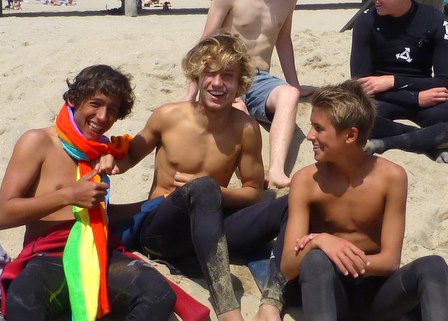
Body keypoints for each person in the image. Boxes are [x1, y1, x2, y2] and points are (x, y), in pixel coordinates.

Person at [103, 34, 289, 321]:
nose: (217, 83)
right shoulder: (168, 116)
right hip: (162, 232)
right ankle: (228, 309)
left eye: (227, 75)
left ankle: (272, 300)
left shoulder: (246, 129)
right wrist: (110, 159)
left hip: (214, 234)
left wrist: (217, 189)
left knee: (290, 202)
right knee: (203, 188)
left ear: (239, 83)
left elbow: (253, 192)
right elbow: (127, 158)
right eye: (210, 73)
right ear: (197, 76)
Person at [0, 65, 176, 321]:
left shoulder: (101, 151)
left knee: (158, 294)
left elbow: (100, 215)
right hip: (49, 255)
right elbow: (2, 216)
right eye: (95, 104)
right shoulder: (38, 142)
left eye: (112, 110)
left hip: (99, 251)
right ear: (73, 100)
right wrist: (68, 195)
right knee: (23, 302)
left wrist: (152, 204)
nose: (102, 117)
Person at [280, 80, 448, 321]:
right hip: (329, 292)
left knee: (433, 266)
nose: (309, 136)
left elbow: (390, 261)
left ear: (350, 135)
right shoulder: (306, 181)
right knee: (315, 258)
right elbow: (288, 265)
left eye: (319, 128)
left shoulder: (391, 177)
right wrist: (322, 242)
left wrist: (343, 259)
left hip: (378, 295)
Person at [181, 0, 317, 188]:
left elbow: (283, 40)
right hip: (227, 74)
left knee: (290, 94)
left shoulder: (288, 1)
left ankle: (277, 170)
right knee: (240, 110)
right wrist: (191, 93)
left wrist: (295, 85)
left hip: (260, 77)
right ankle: (253, 175)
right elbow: (205, 42)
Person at [350, 0, 448, 162]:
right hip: (383, 97)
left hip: (424, 92)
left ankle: (385, 143)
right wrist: (414, 98)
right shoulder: (365, 21)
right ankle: (429, 142)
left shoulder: (436, 20)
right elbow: (361, 85)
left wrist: (394, 81)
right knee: (356, 119)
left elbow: (444, 81)